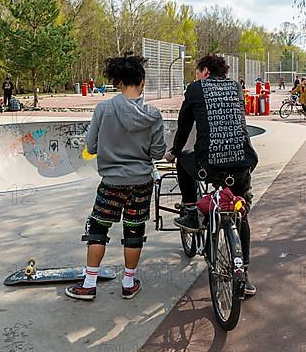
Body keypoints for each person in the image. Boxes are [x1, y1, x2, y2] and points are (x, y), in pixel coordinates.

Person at [65, 53, 166, 301]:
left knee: (98, 227)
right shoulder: (154, 114)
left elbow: (91, 145)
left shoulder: (104, 109)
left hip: (111, 182)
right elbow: (158, 152)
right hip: (141, 182)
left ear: (119, 81)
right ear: (142, 81)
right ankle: (128, 282)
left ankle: (89, 284)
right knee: (134, 230)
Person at [164, 54, 259, 295]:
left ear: (205, 71)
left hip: (209, 165)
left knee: (183, 160)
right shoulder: (236, 87)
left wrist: (174, 151)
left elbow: (184, 125)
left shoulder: (196, 89)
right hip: (242, 163)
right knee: (241, 211)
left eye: (198, 71)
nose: (196, 75)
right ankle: (244, 273)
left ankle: (192, 212)